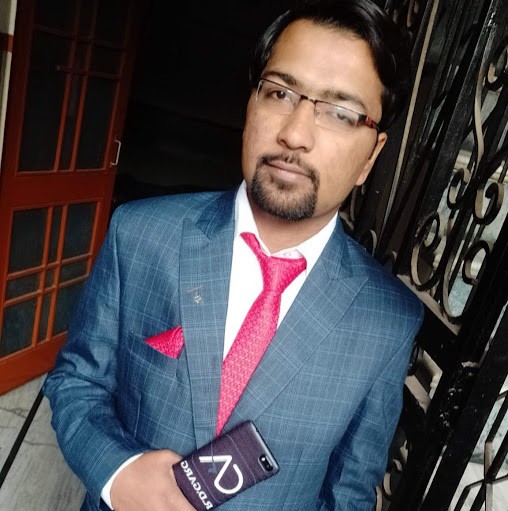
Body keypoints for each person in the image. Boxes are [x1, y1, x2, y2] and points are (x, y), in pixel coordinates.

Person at [43, 0, 423, 509]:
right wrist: (118, 473)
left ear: (370, 157)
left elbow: (348, 492)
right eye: (280, 92)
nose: (295, 134)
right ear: (251, 105)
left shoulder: (388, 322)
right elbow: (76, 381)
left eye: (339, 112)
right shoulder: (141, 235)